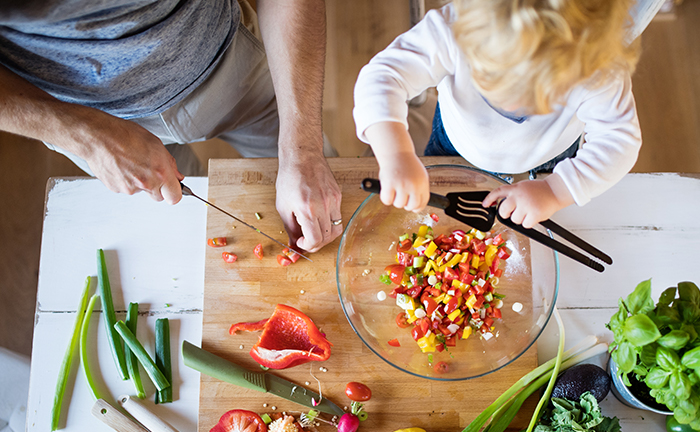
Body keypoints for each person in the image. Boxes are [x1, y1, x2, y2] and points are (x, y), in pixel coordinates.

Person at [0, 0, 342, 253]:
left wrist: (304, 151)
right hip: (80, 114)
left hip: (227, 60)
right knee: (184, 230)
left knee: (320, 198)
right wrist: (87, 137)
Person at [353, 0, 642, 229]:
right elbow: (383, 77)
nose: (513, 106)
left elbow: (619, 141)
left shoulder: (599, 67)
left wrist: (556, 191)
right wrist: (396, 156)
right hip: (456, 143)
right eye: (493, 77)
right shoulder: (457, 27)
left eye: (540, 94)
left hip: (551, 157)